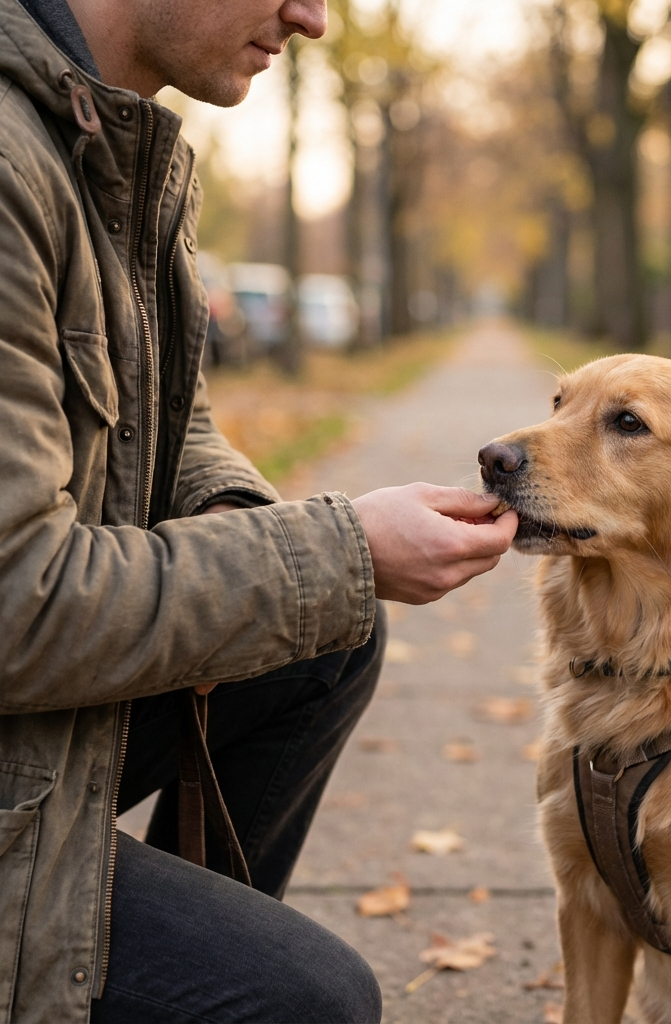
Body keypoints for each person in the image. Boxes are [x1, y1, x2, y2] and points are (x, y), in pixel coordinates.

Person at [0, 0, 519, 1021]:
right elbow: (16, 603)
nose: (312, 18)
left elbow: (176, 432)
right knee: (310, 1000)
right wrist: (337, 550)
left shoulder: (111, 148)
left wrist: (316, 549)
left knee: (325, 634)